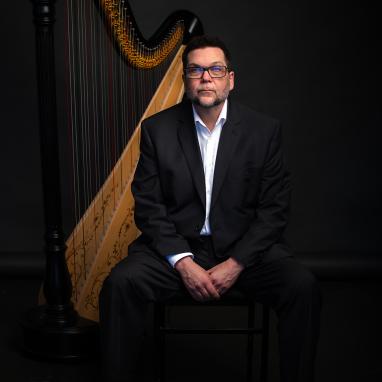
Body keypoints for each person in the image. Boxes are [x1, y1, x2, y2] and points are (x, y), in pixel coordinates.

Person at [99, 35, 322, 382]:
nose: (206, 77)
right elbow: (149, 205)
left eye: (215, 69)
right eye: (196, 70)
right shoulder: (157, 130)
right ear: (186, 79)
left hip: (244, 252)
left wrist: (236, 264)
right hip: (178, 251)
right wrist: (184, 263)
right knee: (121, 283)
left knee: (302, 286)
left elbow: (274, 209)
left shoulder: (263, 131)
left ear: (230, 80)